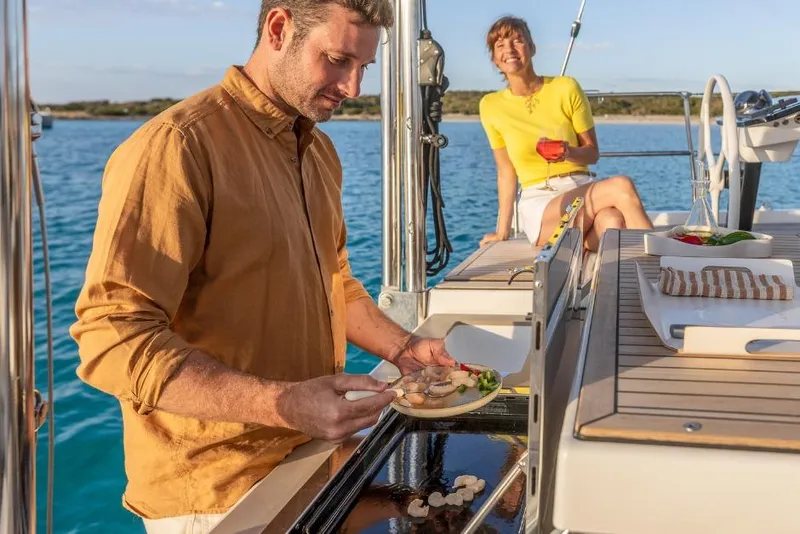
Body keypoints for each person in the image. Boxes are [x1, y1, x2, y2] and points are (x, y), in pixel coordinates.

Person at [69, 1, 454, 533]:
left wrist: (404, 349)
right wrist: (284, 403)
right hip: (215, 496)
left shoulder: (319, 153)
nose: (354, 88)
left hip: (316, 460)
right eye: (339, 60)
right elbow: (110, 337)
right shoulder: (178, 146)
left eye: (364, 67)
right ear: (279, 29)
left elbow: (333, 280)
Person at [478, 16, 653, 252]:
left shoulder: (566, 87)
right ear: (495, 59)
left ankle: (613, 271)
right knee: (621, 186)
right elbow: (506, 172)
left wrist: (568, 152)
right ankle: (664, 266)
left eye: (517, 41)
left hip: (581, 186)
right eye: (500, 45)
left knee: (612, 221)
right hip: (542, 203)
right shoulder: (491, 105)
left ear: (532, 48)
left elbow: (592, 154)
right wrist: (502, 231)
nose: (509, 49)